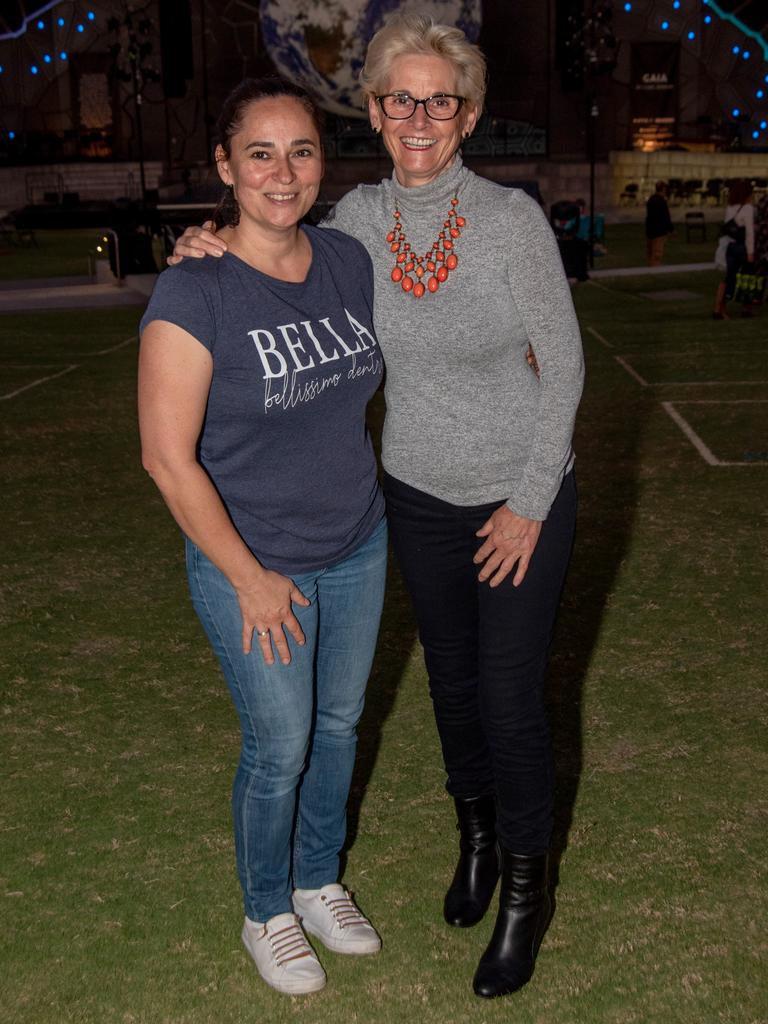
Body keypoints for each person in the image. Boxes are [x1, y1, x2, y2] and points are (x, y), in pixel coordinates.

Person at [170, 15, 584, 1000]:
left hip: (521, 492)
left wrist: (530, 500)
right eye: (402, 98)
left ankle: (527, 889)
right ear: (376, 110)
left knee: (510, 699)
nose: (419, 117)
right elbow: (270, 250)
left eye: (441, 100)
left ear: (469, 115)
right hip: (414, 494)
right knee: (448, 689)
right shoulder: (350, 226)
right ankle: (476, 840)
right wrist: (207, 239)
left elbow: (563, 367)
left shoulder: (512, 221)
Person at [138, 78, 388, 997]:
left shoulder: (346, 261)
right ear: (224, 166)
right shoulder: (192, 289)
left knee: (339, 724)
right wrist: (247, 577)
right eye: (260, 153)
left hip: (359, 541)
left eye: (302, 152)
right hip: (253, 561)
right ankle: (266, 908)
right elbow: (167, 460)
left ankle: (318, 879)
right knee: (278, 746)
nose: (283, 173)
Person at [713, 178, 754, 319]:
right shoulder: (748, 208)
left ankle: (719, 309)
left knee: (729, 279)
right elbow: (749, 233)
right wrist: (750, 253)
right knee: (747, 278)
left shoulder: (730, 208)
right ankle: (746, 307)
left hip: (730, 247)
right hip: (742, 247)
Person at [645, 180, 673, 267]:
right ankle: (654, 269)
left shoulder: (651, 199)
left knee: (650, 253)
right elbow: (666, 217)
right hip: (659, 232)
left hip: (650, 231)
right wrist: (670, 229)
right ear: (663, 189)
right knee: (657, 253)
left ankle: (650, 268)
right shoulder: (661, 201)